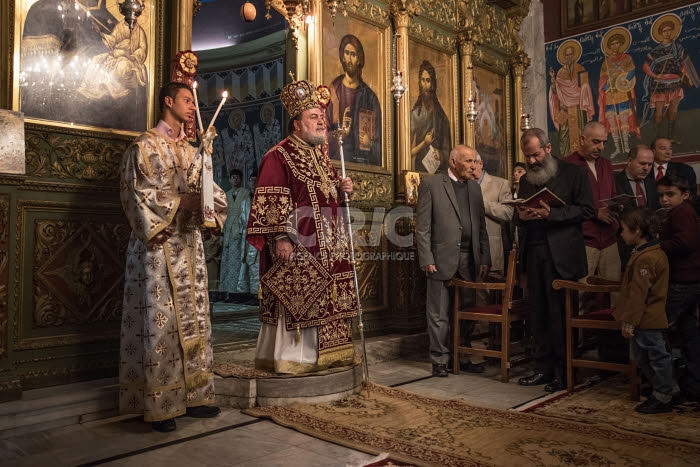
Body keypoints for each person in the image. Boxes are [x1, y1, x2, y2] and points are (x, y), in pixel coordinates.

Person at [119, 82, 227, 432]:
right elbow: (137, 193)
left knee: (196, 322)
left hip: (189, 248)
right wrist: (184, 203)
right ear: (169, 102)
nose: (193, 107)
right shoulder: (144, 146)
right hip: (158, 249)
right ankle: (161, 404)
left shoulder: (194, 150)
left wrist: (209, 209)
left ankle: (195, 397)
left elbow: (213, 192)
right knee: (160, 322)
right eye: (186, 100)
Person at [246, 78, 356, 374]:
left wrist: (343, 187)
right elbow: (270, 200)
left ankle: (330, 356)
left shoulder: (323, 158)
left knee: (329, 300)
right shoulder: (278, 156)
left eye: (322, 117)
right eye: (314, 117)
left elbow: (329, 196)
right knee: (298, 302)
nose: (322, 122)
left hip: (329, 249)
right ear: (296, 124)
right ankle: (294, 360)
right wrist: (281, 236)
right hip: (298, 247)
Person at [516, 128, 594, 392]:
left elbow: (587, 210)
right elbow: (521, 212)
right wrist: (521, 217)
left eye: (536, 155)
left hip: (562, 255)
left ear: (548, 148)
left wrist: (553, 214)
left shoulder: (574, 173)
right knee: (537, 314)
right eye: (527, 157)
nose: (531, 162)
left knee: (561, 315)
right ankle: (542, 369)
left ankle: (566, 372)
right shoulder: (527, 179)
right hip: (535, 253)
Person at [416, 145, 491, 377]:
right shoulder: (432, 184)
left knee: (466, 311)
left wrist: (484, 257)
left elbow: (481, 227)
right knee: (439, 312)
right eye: (468, 161)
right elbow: (423, 227)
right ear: (453, 162)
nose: (472, 166)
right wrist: (426, 257)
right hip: (441, 259)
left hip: (469, 260)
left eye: (474, 161)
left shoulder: (475, 190)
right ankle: (440, 359)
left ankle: (461, 355)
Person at [613, 207, 679, 414]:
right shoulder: (645, 253)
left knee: (655, 358)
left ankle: (664, 394)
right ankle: (668, 389)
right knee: (645, 357)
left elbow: (639, 294)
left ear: (638, 231)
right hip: (646, 317)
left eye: (624, 230)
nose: (621, 234)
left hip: (647, 319)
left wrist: (629, 321)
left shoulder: (647, 258)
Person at [564, 122, 621, 305]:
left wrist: (617, 205)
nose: (601, 147)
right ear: (582, 139)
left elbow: (611, 194)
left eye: (604, 142)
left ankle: (613, 334)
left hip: (610, 238)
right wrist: (595, 213)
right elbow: (564, 205)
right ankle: (579, 333)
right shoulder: (567, 165)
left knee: (615, 292)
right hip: (584, 239)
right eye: (596, 142)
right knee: (582, 294)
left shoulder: (606, 164)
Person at [657, 175, 700, 400]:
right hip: (691, 281)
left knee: (657, 327)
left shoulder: (682, 212)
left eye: (670, 194)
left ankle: (665, 387)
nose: (664, 199)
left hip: (683, 281)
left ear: (685, 195)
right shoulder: (679, 212)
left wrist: (657, 247)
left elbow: (686, 242)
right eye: (661, 195)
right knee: (689, 332)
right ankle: (693, 385)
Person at [326, 34, 382, 165]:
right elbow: (323, 133)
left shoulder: (370, 97)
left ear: (359, 60)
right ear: (342, 57)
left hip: (363, 161)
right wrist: (340, 135)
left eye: (353, 54)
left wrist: (370, 143)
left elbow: (381, 141)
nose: (349, 59)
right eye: (346, 53)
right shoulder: (333, 91)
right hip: (338, 160)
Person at [641, 16, 695, 142]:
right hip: (660, 84)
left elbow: (683, 64)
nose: (668, 33)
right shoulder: (655, 51)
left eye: (670, 30)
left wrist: (687, 76)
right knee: (659, 113)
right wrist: (655, 76)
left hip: (676, 83)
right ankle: (657, 139)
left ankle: (670, 137)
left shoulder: (677, 47)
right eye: (665, 31)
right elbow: (645, 66)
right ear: (661, 33)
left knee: (673, 111)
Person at [615, 145, 661, 269]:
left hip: (649, 245)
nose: (646, 168)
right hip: (624, 245)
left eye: (650, 164)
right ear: (629, 161)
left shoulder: (652, 183)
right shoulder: (614, 182)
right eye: (642, 163)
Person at [598, 29, 639, 160]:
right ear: (609, 47)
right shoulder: (606, 62)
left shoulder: (627, 58)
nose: (615, 46)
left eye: (617, 43)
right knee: (612, 121)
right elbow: (602, 79)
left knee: (624, 119)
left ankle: (626, 146)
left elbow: (632, 72)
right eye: (613, 44)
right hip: (611, 95)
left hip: (622, 92)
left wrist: (623, 78)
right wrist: (606, 86)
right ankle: (617, 147)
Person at [548, 40, 595, 156]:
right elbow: (555, 91)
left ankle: (582, 156)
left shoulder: (580, 68)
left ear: (574, 55)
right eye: (567, 55)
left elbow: (585, 86)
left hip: (579, 108)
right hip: (564, 108)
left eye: (571, 54)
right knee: (564, 133)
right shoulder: (560, 72)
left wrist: (584, 87)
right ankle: (566, 157)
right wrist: (553, 82)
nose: (569, 57)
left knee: (581, 132)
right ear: (564, 57)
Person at [473, 154, 513, 277]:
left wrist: (482, 205)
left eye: (472, 162)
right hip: (467, 256)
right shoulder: (462, 185)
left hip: (492, 251)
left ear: (481, 164)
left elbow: (508, 212)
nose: (470, 167)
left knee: (490, 294)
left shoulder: (501, 184)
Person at [410, 60, 452, 174]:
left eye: (428, 81)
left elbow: (449, 150)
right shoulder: (414, 114)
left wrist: (441, 155)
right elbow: (408, 152)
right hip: (420, 171)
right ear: (419, 82)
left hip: (439, 173)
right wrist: (424, 142)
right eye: (422, 80)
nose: (425, 85)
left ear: (433, 84)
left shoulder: (441, 116)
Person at [218, 169, 250, 303]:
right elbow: (223, 214)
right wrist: (221, 233)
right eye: (233, 177)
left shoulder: (246, 193)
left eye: (237, 177)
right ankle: (226, 291)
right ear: (230, 179)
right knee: (226, 261)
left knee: (238, 260)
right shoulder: (226, 194)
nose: (235, 180)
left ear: (241, 179)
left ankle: (238, 292)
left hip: (241, 228)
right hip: (228, 230)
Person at [237, 174, 260, 305]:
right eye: (250, 180)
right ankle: (246, 291)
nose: (253, 182)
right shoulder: (246, 200)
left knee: (256, 263)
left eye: (255, 180)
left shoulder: (262, 198)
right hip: (246, 235)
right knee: (245, 262)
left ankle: (257, 292)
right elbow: (242, 218)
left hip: (257, 235)